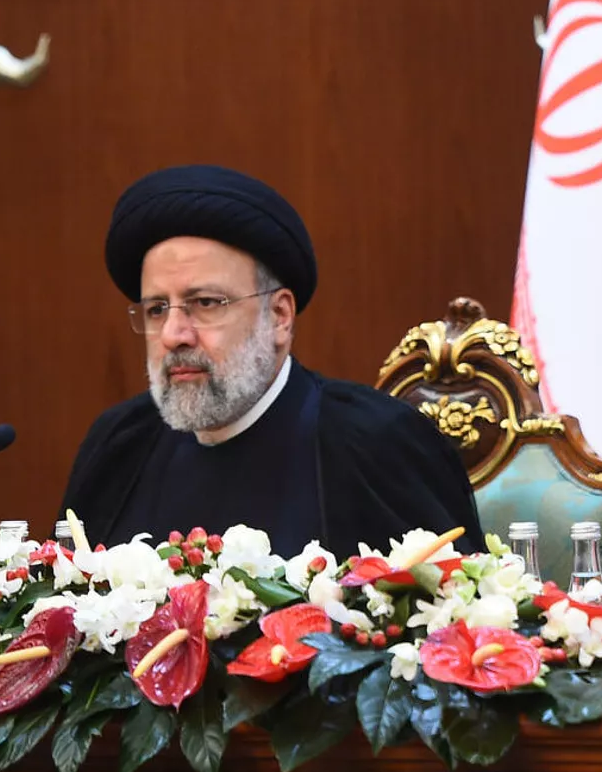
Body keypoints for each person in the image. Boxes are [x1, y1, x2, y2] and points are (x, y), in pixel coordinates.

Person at [60, 164, 482, 557]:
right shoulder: (118, 445)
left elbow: (452, 606)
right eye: (156, 309)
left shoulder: (376, 445)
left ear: (279, 316)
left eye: (205, 303)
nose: (173, 335)